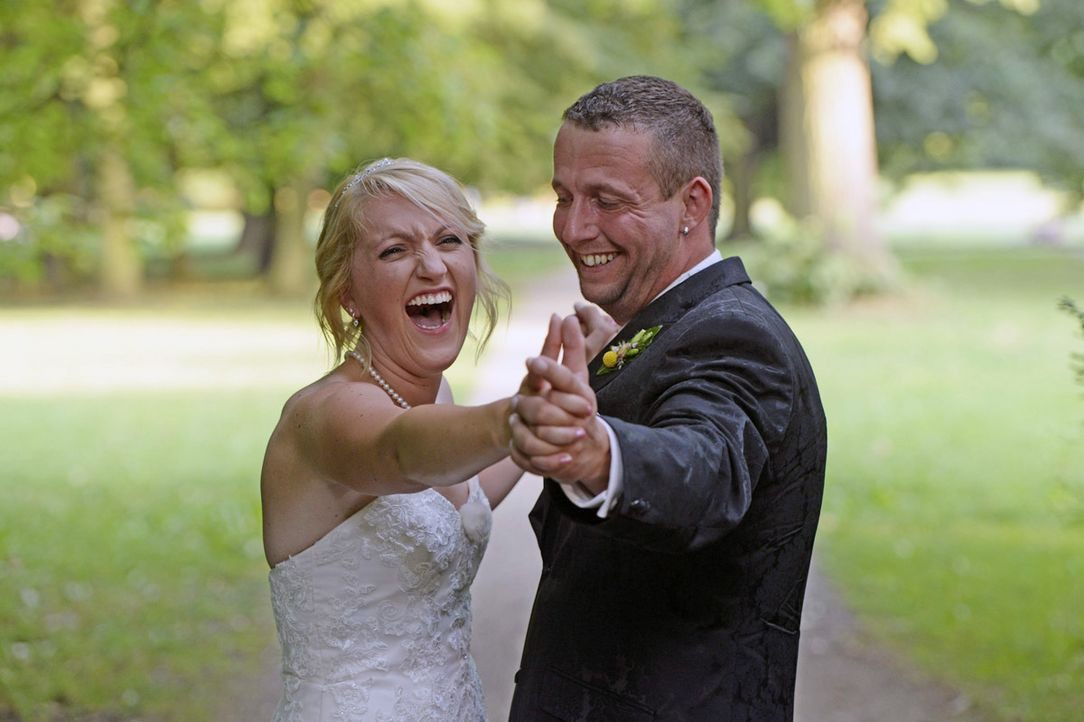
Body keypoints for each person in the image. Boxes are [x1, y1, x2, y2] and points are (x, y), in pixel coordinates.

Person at [507, 76, 828, 720]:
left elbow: (704, 467)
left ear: (693, 202)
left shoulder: (737, 334)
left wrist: (597, 454)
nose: (573, 227)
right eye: (564, 196)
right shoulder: (671, 323)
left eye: (606, 200)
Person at [259, 157, 589, 721]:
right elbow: (401, 449)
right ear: (348, 294)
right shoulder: (325, 417)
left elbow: (464, 489)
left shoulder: (432, 398)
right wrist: (515, 416)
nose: (432, 265)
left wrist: (577, 383)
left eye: (449, 240)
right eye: (395, 250)